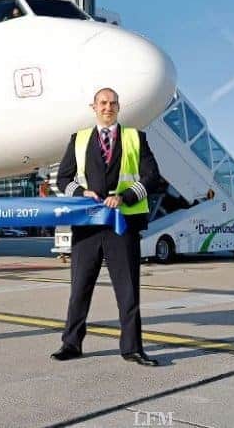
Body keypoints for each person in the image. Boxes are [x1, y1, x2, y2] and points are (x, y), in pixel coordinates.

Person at [52, 87, 162, 366]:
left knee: (128, 290)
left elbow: (152, 177)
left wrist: (124, 197)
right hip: (87, 225)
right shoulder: (78, 140)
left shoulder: (135, 137)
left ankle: (132, 348)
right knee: (79, 288)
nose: (107, 107)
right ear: (94, 107)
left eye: (112, 103)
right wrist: (80, 193)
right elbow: (63, 178)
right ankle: (71, 344)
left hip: (121, 224)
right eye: (103, 103)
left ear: (119, 107)